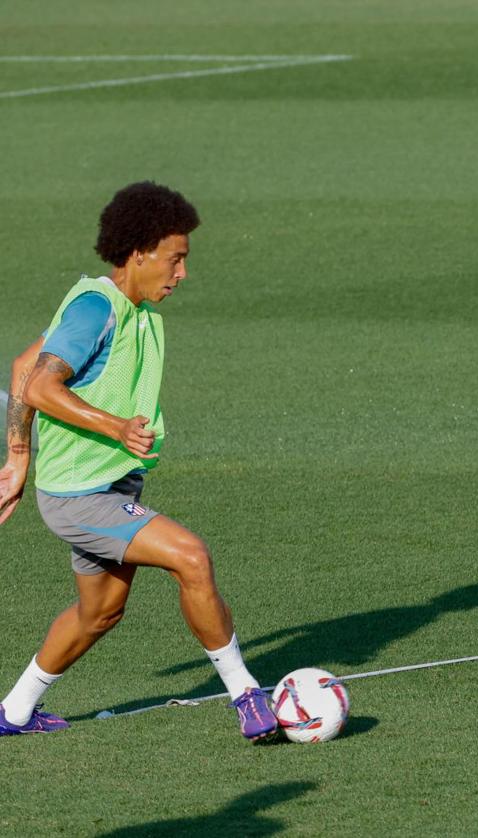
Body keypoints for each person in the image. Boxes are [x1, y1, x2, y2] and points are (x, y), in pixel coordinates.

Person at [0, 182, 277, 740]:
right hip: (81, 496)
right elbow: (41, 384)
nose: (182, 273)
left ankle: (13, 712)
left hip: (105, 487)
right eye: (176, 259)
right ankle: (247, 695)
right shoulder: (97, 308)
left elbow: (22, 365)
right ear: (138, 252)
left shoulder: (129, 309)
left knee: (99, 614)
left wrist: (18, 456)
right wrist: (114, 427)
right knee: (191, 557)